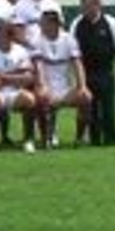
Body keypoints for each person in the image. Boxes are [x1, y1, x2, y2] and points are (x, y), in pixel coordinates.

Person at [70, 0, 115, 146]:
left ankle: (111, 139)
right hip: (86, 72)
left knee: (108, 108)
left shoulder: (111, 23)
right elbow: (72, 48)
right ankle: (95, 139)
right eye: (83, 7)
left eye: (88, 7)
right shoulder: (77, 24)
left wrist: (110, 62)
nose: (85, 10)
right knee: (91, 108)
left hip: (106, 72)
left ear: (97, 5)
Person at [32, 9, 93, 148]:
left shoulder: (68, 39)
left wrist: (82, 86)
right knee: (42, 96)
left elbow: (78, 65)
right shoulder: (37, 41)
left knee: (86, 97)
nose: (41, 26)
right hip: (47, 86)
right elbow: (38, 66)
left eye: (43, 23)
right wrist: (43, 86)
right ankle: (47, 138)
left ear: (53, 24)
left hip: (65, 89)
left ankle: (80, 138)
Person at [0, 22, 38, 154]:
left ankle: (28, 141)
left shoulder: (21, 52)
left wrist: (3, 76)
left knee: (30, 99)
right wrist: (15, 77)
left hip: (16, 92)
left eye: (0, 35)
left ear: (10, 37)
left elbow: (28, 78)